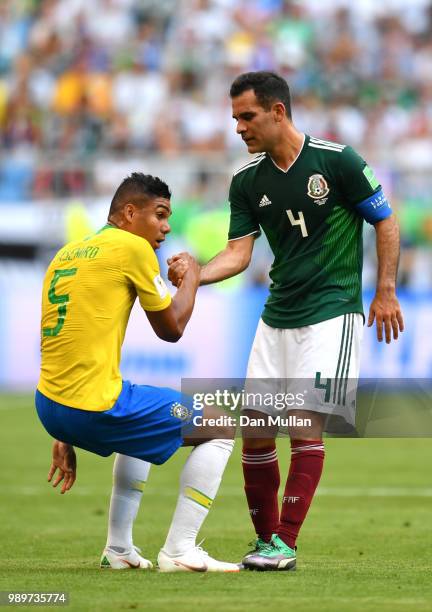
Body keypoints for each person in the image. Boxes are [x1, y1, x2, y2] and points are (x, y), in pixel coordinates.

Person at [168, 71, 404, 571]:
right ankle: (267, 542)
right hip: (276, 315)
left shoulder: (337, 161)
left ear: (278, 112)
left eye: (247, 116)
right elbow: (237, 253)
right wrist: (195, 275)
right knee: (255, 430)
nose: (238, 127)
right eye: (234, 117)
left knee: (301, 425)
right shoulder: (246, 180)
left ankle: (286, 542)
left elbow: (385, 218)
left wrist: (385, 289)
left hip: (331, 312)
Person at [35, 172, 239, 573]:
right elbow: (171, 330)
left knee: (141, 417)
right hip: (90, 404)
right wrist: (193, 276)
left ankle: (120, 549)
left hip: (51, 405)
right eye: (160, 214)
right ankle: (180, 551)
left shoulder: (69, 253)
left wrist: (63, 428)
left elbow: (57, 342)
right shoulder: (131, 248)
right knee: (219, 426)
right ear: (129, 213)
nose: (166, 226)